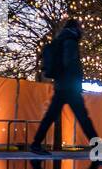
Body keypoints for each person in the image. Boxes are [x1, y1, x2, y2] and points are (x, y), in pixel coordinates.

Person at [31, 19, 97, 154]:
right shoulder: (70, 40)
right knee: (83, 117)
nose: (81, 29)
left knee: (51, 117)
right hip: (69, 87)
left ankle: (35, 144)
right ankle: (98, 148)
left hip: (61, 85)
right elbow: (70, 62)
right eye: (80, 26)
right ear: (75, 27)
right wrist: (76, 82)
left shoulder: (61, 39)